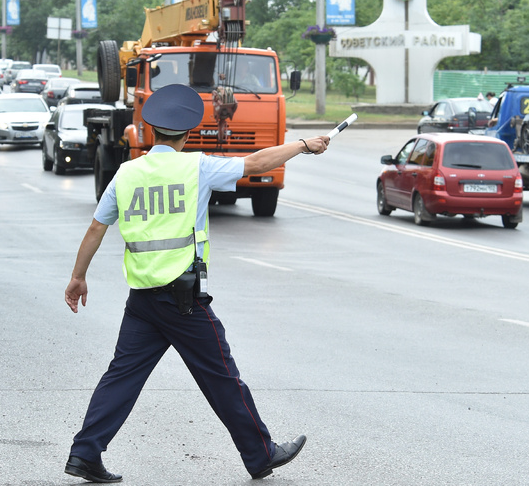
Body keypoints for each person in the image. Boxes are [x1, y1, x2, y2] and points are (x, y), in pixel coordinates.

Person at [63, 83, 329, 483]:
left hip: (142, 299)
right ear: (186, 135)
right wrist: (304, 145)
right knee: (222, 376)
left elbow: (96, 228)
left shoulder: (126, 173)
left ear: (151, 132)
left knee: (121, 376)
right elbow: (257, 164)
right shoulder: (196, 167)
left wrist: (78, 277)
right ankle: (261, 454)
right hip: (182, 299)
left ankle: (85, 454)